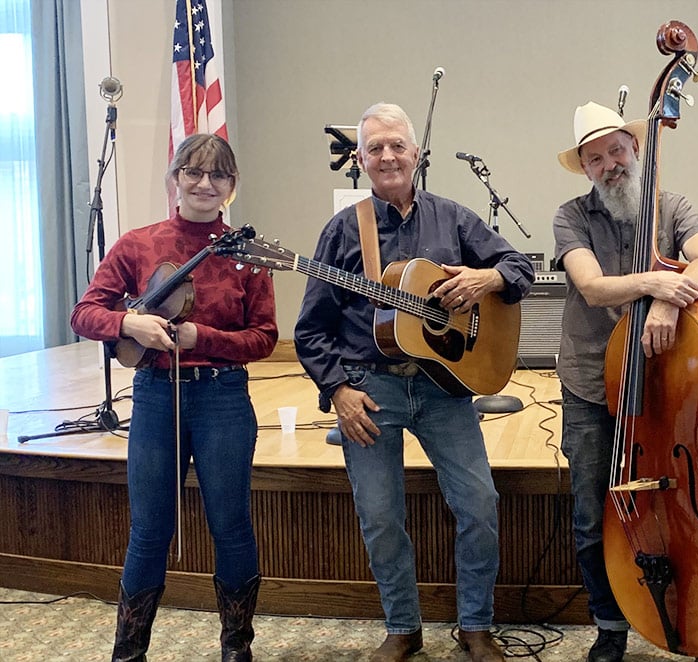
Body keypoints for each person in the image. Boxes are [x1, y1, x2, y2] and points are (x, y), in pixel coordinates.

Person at [293, 102, 533, 662]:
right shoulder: (343, 230)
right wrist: (336, 389)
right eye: (375, 147)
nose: (388, 156)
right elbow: (310, 329)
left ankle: (476, 625)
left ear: (416, 154)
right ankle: (403, 627)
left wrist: (487, 276)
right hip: (367, 390)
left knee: (479, 505)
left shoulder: (453, 218)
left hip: (444, 388)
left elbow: (518, 267)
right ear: (361, 159)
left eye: (397, 144)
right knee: (380, 516)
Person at [70, 133, 278, 662]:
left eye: (218, 176)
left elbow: (264, 338)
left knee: (230, 524)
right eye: (193, 172)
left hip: (224, 399)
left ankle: (237, 649)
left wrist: (201, 338)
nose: (204, 184)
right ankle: (129, 652)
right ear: (175, 178)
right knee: (149, 528)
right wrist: (130, 323)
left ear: (232, 187)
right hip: (157, 397)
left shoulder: (247, 254)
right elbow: (85, 312)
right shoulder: (139, 244)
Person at [552, 101, 698, 662]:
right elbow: (595, 287)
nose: (610, 164)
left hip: (663, 386)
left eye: (617, 150)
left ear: (637, 150)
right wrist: (658, 285)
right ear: (584, 167)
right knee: (591, 512)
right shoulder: (571, 216)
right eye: (595, 157)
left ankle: (697, 617)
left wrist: (673, 303)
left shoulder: (672, 207)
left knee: (679, 509)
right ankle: (610, 625)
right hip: (589, 384)